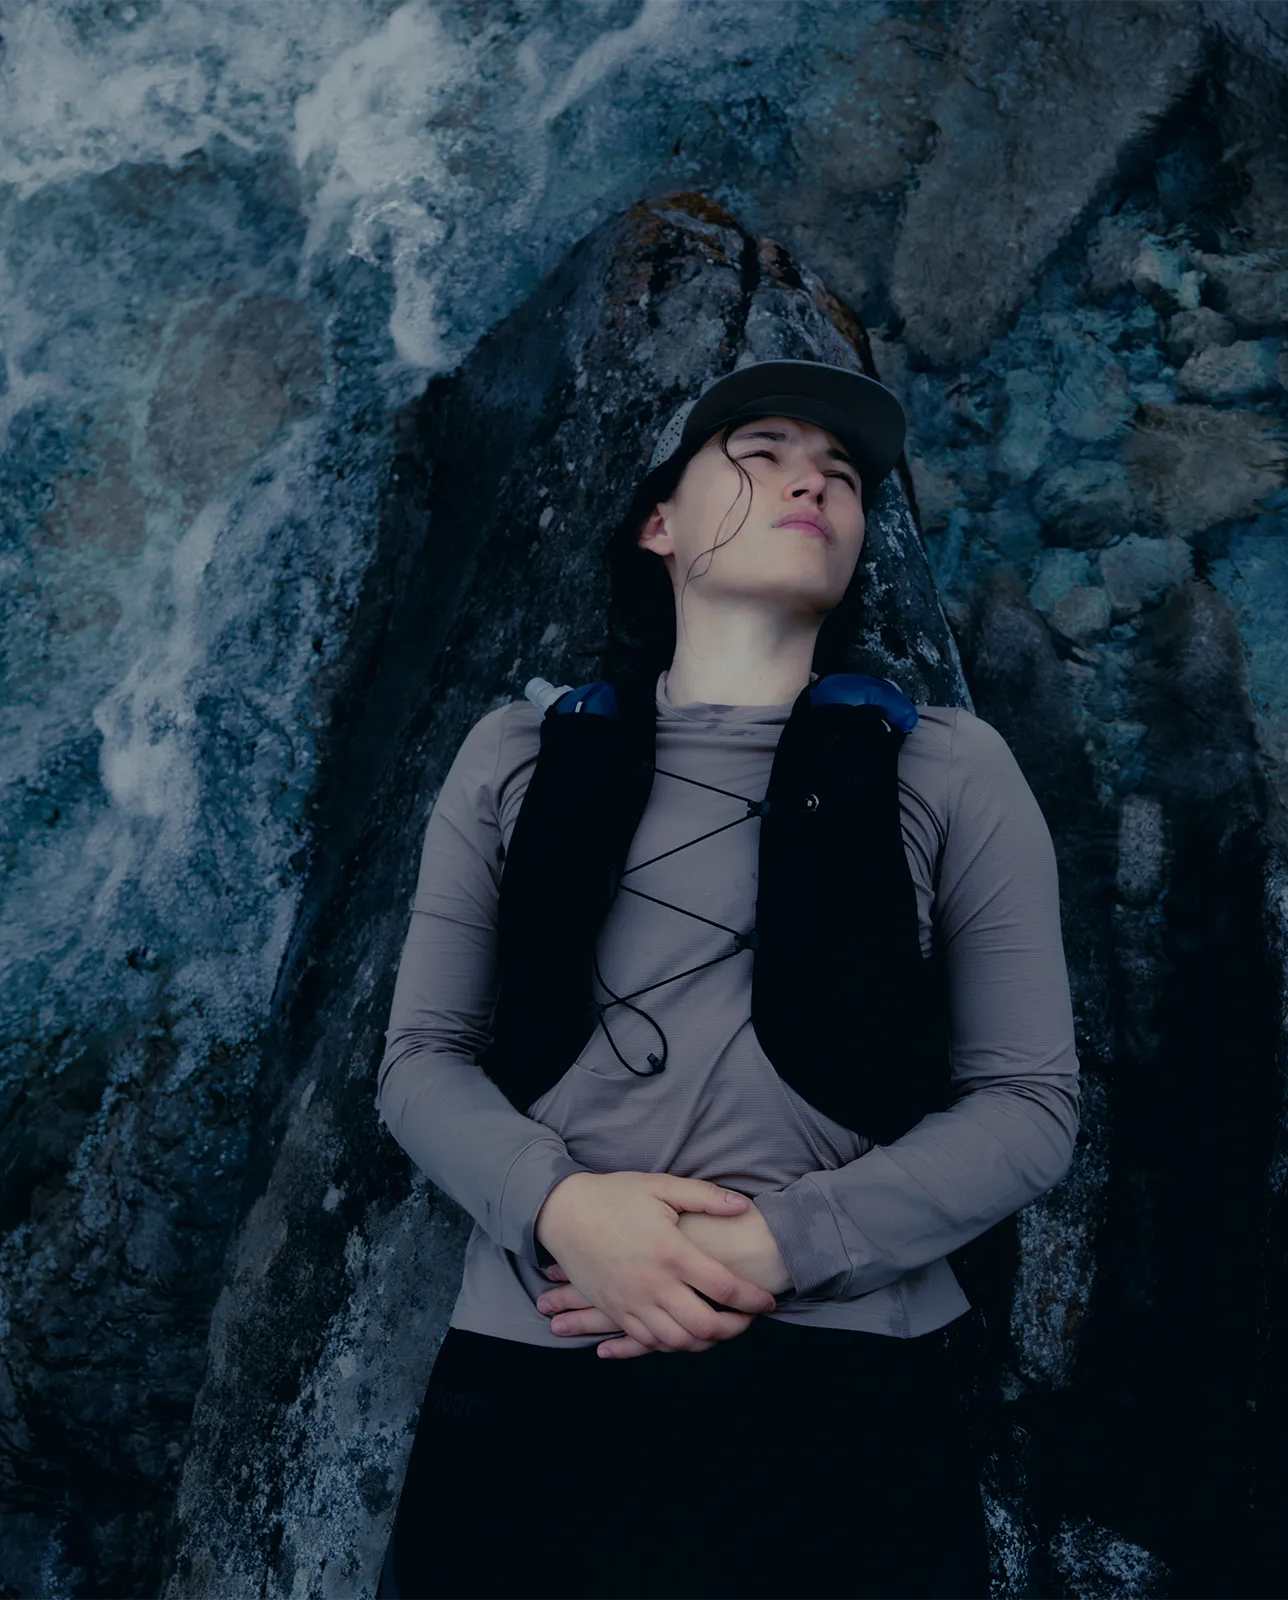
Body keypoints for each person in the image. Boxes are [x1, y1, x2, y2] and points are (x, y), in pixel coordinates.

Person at [372, 357, 1080, 1597]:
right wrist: (563, 1211)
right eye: (757, 451)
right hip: (546, 1343)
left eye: (843, 476)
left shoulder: (952, 771)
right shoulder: (515, 755)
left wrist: (776, 1246)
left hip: (850, 1369)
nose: (812, 476)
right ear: (659, 524)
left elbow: (1027, 1106)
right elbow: (418, 1060)